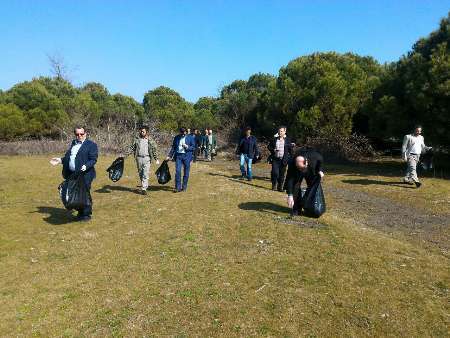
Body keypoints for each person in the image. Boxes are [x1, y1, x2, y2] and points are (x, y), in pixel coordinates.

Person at [50, 126, 98, 221]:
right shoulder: (73, 143)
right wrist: (60, 160)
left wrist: (86, 166)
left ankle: (86, 215)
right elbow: (69, 157)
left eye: (81, 134)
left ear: (85, 134)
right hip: (73, 174)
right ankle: (80, 212)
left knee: (84, 194)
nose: (79, 136)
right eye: (77, 134)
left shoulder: (91, 145)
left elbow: (93, 159)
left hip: (86, 174)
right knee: (75, 193)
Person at [285, 150, 324, 216]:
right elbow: (289, 180)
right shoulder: (292, 163)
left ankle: (310, 207)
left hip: (310, 171)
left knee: (313, 185)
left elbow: (320, 160)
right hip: (297, 172)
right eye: (299, 168)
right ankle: (296, 209)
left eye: (301, 168)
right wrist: (290, 195)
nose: (300, 170)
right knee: (295, 186)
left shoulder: (315, 156)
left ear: (306, 163)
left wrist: (320, 170)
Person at [125, 126, 160, 195]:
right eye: (141, 131)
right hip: (138, 158)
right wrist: (125, 155)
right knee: (141, 173)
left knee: (145, 173)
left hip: (147, 158)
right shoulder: (137, 139)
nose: (141, 132)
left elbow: (154, 149)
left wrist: (156, 158)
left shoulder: (150, 140)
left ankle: (144, 188)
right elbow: (132, 148)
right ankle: (143, 185)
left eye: (143, 131)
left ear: (146, 132)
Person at [166, 127, 196, 192]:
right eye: (182, 133)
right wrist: (169, 156)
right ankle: (178, 188)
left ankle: (184, 187)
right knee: (178, 171)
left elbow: (193, 147)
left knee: (186, 172)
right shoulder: (176, 138)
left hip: (187, 156)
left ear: (186, 132)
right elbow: (173, 147)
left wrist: (187, 147)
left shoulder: (190, 137)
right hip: (178, 156)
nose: (183, 134)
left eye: (184, 133)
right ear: (180, 132)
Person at [268, 126, 293, 191]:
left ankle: (280, 187)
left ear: (285, 132)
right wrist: (273, 150)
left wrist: (291, 158)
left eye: (281, 131)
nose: (280, 132)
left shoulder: (287, 140)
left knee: (282, 175)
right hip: (275, 159)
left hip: (284, 160)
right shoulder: (274, 139)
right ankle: (274, 185)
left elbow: (291, 150)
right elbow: (269, 146)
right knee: (275, 173)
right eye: (279, 131)